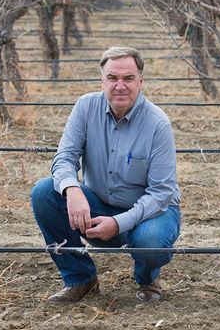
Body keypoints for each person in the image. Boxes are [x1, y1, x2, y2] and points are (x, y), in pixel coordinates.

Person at [30, 46, 182, 304]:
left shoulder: (158, 124)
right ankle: (81, 279)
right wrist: (72, 190)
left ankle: (147, 278)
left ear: (141, 82)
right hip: (99, 202)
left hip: (150, 212)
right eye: (112, 78)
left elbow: (160, 194)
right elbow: (64, 158)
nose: (120, 86)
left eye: (128, 78)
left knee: (150, 240)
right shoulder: (85, 107)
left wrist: (118, 223)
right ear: (102, 81)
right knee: (44, 192)